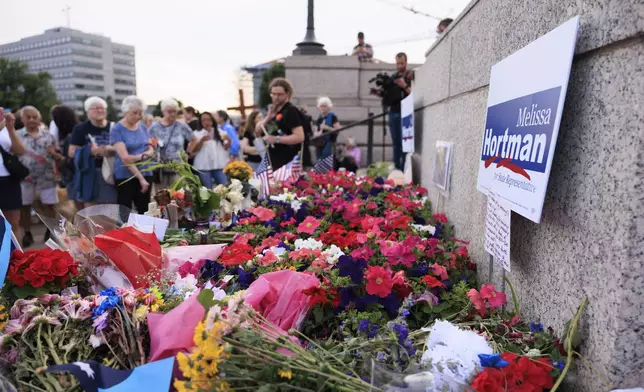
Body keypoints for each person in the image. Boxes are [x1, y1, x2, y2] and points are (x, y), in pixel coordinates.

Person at [18, 106, 65, 247]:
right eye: (28, 117)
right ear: (22, 119)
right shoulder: (17, 135)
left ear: (39, 119)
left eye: (35, 117)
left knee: (49, 205)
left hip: (46, 176)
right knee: (24, 206)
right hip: (25, 178)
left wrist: (55, 158)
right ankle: (27, 232)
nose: (32, 120)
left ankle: (49, 231)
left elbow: (56, 154)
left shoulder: (48, 135)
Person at [68, 96, 117, 206]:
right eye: (95, 108)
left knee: (111, 209)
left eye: (102, 108)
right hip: (90, 173)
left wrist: (111, 150)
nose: (100, 110)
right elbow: (71, 152)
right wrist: (90, 151)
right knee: (91, 210)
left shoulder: (114, 127)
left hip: (111, 172)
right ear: (87, 112)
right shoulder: (80, 128)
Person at [111, 96, 154, 214]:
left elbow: (150, 146)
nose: (138, 116)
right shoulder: (117, 129)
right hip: (125, 176)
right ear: (125, 112)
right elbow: (125, 158)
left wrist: (145, 154)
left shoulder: (142, 127)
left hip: (146, 172)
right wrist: (141, 178)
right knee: (125, 211)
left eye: (140, 113)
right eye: (134, 113)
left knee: (145, 210)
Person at [255, 78, 305, 171]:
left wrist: (276, 139)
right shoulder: (273, 110)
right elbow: (257, 131)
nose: (276, 97)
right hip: (272, 160)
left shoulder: (290, 111)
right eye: (273, 94)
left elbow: (299, 137)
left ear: (287, 94)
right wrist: (268, 117)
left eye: (279, 94)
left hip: (287, 163)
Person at [377, 52, 413, 171]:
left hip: (405, 112)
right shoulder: (393, 77)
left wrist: (404, 86)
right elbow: (388, 95)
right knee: (395, 142)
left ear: (406, 62)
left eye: (401, 63)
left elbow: (413, 93)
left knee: (405, 142)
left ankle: (404, 168)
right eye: (397, 63)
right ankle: (397, 168)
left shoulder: (409, 75)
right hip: (393, 111)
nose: (399, 66)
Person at [149, 98, 193, 187]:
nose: (173, 114)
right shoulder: (155, 128)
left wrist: (188, 152)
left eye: (175, 111)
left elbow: (193, 138)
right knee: (162, 196)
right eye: (169, 111)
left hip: (177, 168)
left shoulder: (181, 126)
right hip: (160, 168)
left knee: (178, 196)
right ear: (163, 111)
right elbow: (150, 144)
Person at [0, 109, 26, 238]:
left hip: (9, 178)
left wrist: (10, 129)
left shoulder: (4, 128)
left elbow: (20, 150)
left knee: (13, 223)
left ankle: (16, 256)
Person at [187, 112, 231, 189]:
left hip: (219, 165)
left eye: (208, 120)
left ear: (212, 121)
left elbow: (225, 148)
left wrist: (229, 141)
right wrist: (201, 141)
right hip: (203, 167)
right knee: (207, 190)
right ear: (200, 122)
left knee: (224, 188)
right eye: (203, 120)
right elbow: (192, 151)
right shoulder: (196, 133)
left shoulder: (219, 132)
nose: (206, 122)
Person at [51, 105, 80, 210]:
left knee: (77, 209)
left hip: (74, 179)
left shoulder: (70, 136)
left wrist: (56, 155)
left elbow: (70, 162)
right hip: (78, 178)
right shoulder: (78, 130)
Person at [313, 96, 341, 161]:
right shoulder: (320, 118)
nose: (323, 108)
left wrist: (327, 128)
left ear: (328, 107)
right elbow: (317, 130)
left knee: (327, 158)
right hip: (320, 143)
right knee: (319, 158)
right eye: (321, 106)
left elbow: (338, 130)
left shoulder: (332, 116)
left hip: (330, 142)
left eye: (325, 106)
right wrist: (315, 132)